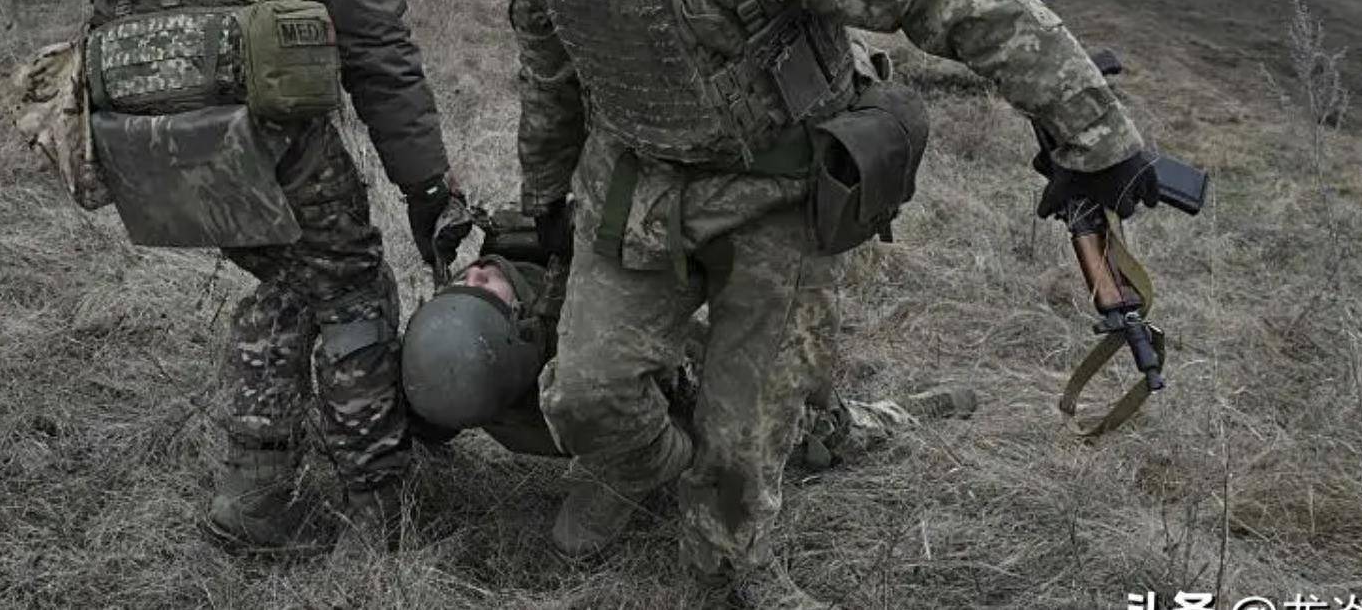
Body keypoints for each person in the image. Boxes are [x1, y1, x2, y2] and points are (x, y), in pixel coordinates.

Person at [497, 0, 1160, 605]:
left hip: (775, 193)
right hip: (632, 188)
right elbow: (549, 61)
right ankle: (642, 472)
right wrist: (542, 202)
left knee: (739, 450)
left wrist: (1092, 129)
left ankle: (733, 558)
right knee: (584, 398)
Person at [4, 0, 466, 550]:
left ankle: (253, 503)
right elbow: (376, 46)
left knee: (287, 280)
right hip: (255, 111)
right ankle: (378, 515)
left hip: (129, 103)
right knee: (352, 286)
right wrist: (427, 184)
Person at [398, 214, 976, 466]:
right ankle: (885, 415)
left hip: (683, 359)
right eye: (475, 284)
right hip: (654, 390)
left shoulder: (574, 312)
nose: (472, 273)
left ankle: (900, 415)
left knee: (804, 429)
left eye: (476, 277)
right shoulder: (471, 371)